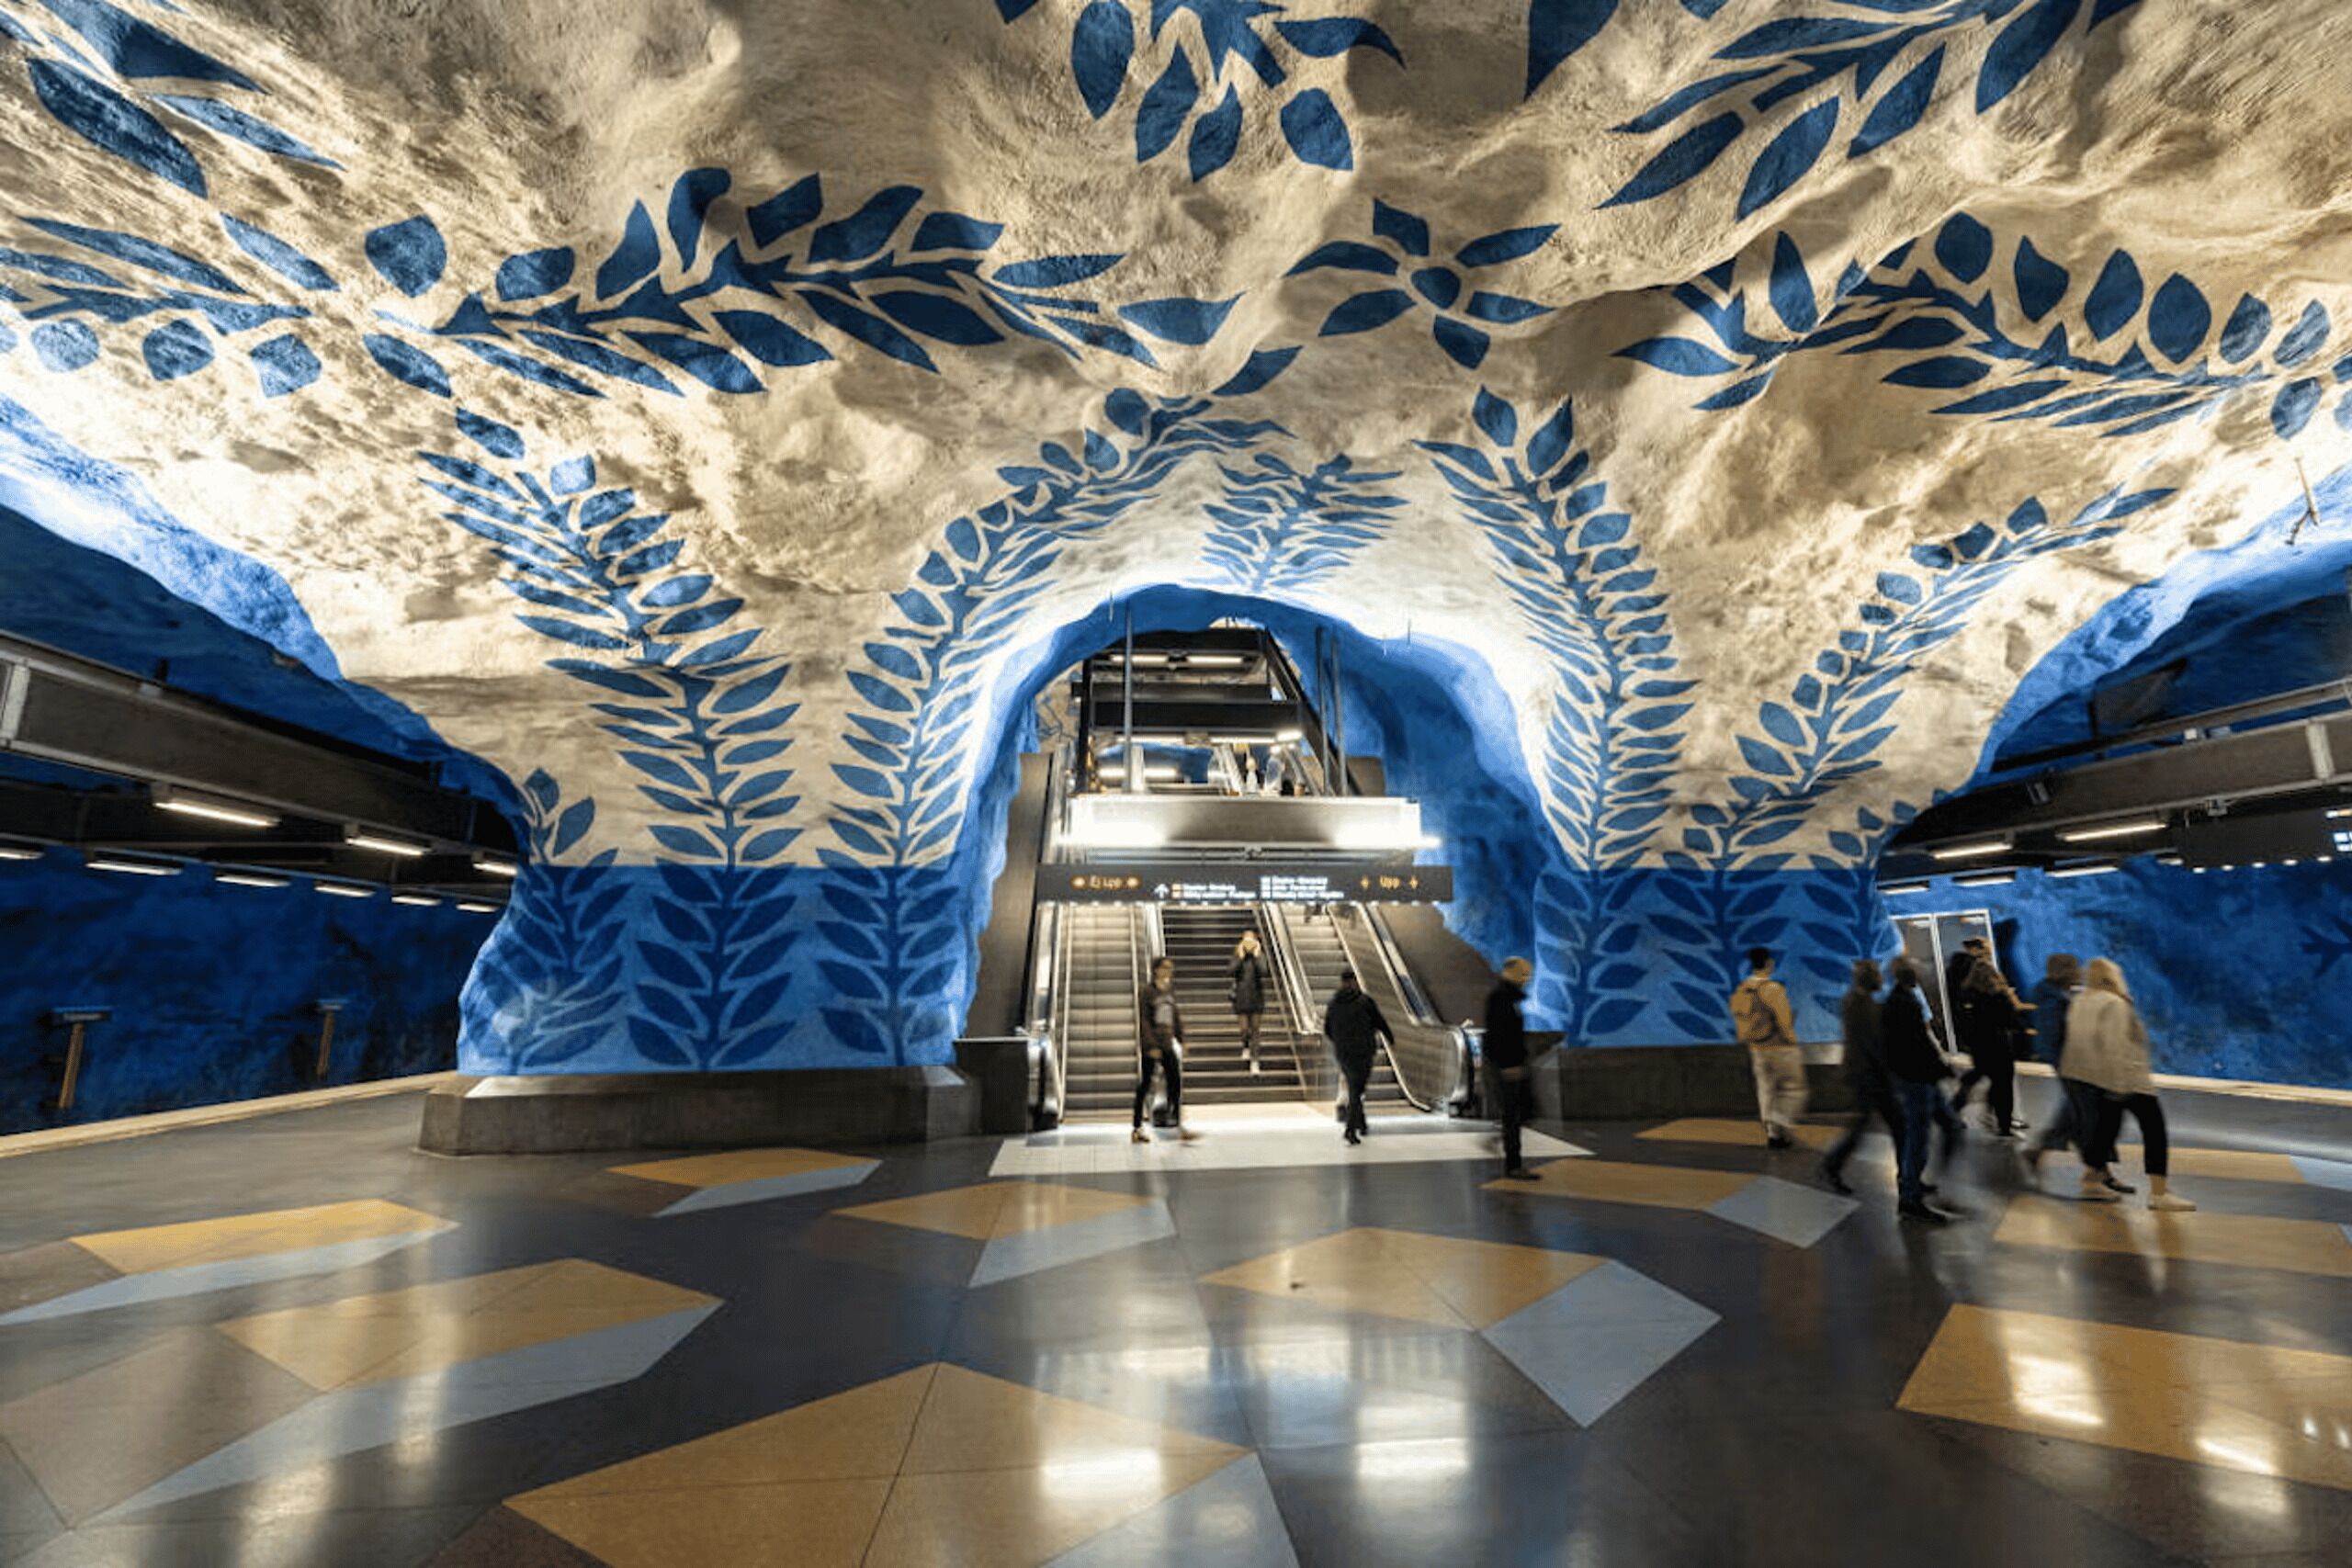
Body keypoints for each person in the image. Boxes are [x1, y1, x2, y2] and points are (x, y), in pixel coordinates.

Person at [2067, 958, 2195, 1211]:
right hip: (2127, 1080)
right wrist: (2119, 1085)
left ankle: (2091, 1180)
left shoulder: (2081, 1000)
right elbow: (2115, 1045)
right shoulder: (2115, 1003)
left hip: (2092, 1079)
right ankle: (2160, 1193)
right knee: (2154, 1129)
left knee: (2106, 1131)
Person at [1821, 959, 1906, 1199]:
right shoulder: (1866, 1006)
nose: (1882, 979)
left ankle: (1833, 1165)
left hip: (1862, 1075)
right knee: (1896, 1126)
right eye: (1878, 976)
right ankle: (1908, 1177)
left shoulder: (1852, 1001)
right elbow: (1874, 1046)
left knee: (1871, 1127)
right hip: (1871, 1077)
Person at [1882, 959, 1957, 1224]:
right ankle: (1910, 1196)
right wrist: (1940, 1068)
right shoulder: (1905, 1004)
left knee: (1945, 1125)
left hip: (1914, 1077)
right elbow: (1917, 1045)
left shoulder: (1896, 1001)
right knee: (1919, 1135)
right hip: (1917, 1079)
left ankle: (1913, 1183)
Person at [2023, 954, 2106, 1192]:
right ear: (2064, 971)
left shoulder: (2056, 994)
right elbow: (2053, 1037)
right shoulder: (2053, 1000)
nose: (2079, 971)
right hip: (2070, 1064)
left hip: (2071, 1064)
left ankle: (2040, 1152)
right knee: (2079, 1113)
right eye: (2074, 968)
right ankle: (2096, 1168)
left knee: (2074, 1112)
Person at [1730, 946, 1805, 1149]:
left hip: (1756, 1048)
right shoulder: (1772, 989)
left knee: (1766, 1090)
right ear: (1769, 963)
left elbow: (1739, 1016)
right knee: (1794, 1089)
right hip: (1779, 1047)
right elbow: (1784, 1020)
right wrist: (1792, 1040)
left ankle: (1773, 1134)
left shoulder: (1743, 988)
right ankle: (1781, 1119)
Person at [1950, 949, 2027, 1136]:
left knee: (1983, 1076)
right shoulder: (1998, 996)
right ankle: (2004, 1124)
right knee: (2003, 1086)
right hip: (2000, 1048)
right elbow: (2012, 1021)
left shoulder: (1966, 994)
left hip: (1979, 1048)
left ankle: (1953, 1109)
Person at [1133, 956, 1201, 1144]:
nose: (1169, 971)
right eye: (1166, 968)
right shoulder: (1147, 992)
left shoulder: (1169, 991)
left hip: (1167, 1044)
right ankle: (1137, 1127)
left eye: (1171, 968)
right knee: (1145, 1085)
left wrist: (1182, 1039)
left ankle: (1179, 1126)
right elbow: (1144, 1021)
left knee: (1175, 1084)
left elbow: (1175, 1016)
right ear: (1156, 970)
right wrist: (1150, 1046)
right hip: (1152, 1046)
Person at [1323, 967, 1393, 1145]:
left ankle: (1361, 1123)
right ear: (1354, 981)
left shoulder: (1333, 1003)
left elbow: (1327, 1030)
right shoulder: (1365, 1001)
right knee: (1356, 1090)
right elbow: (1380, 1022)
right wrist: (1390, 1038)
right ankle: (1350, 1129)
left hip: (1344, 1053)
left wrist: (1339, 1042)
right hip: (1363, 1052)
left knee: (1354, 1088)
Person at [1485, 956, 1539, 1179]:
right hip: (1507, 1065)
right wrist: (1507, 1064)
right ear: (1513, 973)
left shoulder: (1511, 998)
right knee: (1513, 1115)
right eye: (1524, 975)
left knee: (1523, 1111)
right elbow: (1499, 1033)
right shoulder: (1501, 998)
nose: (1527, 980)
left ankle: (1506, 1149)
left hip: (1515, 1063)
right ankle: (1513, 1165)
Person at [1229, 931, 1270, 1076]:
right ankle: (1245, 1045)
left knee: (1256, 1031)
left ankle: (1255, 1061)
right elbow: (1231, 971)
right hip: (1241, 997)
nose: (1248, 942)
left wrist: (1258, 954)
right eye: (1245, 939)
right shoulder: (1237, 955)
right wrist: (1240, 956)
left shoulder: (1260, 956)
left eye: (1251, 939)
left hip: (1256, 997)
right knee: (1244, 1029)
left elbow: (1264, 971)